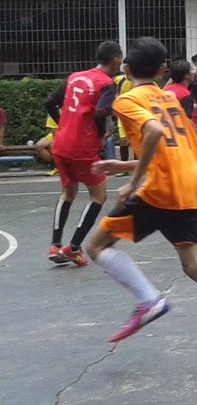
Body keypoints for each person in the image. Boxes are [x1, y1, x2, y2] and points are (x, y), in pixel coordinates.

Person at [86, 36, 197, 360]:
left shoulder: (127, 100)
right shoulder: (169, 98)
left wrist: (132, 182)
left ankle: (148, 300)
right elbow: (177, 150)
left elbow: (154, 133)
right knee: (194, 264)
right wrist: (125, 165)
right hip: (192, 183)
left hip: (161, 188)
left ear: (126, 69)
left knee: (97, 246)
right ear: (162, 70)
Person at [45, 40, 122, 267]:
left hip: (61, 144)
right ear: (116, 59)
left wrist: (63, 124)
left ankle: (55, 244)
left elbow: (49, 102)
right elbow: (100, 113)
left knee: (68, 193)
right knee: (98, 196)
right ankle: (73, 248)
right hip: (83, 147)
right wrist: (100, 135)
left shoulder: (75, 77)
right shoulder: (106, 83)